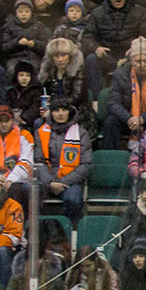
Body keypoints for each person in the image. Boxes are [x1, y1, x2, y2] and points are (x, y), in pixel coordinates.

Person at [33, 95, 89, 224]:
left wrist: (62, 182)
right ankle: (41, 228)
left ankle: (66, 230)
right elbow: (38, 161)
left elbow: (86, 164)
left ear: (69, 112)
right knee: (29, 192)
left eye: (64, 110)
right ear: (51, 112)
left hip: (70, 181)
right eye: (56, 110)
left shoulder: (81, 133)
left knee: (74, 199)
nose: (60, 114)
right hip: (46, 179)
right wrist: (50, 182)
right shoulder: (40, 132)